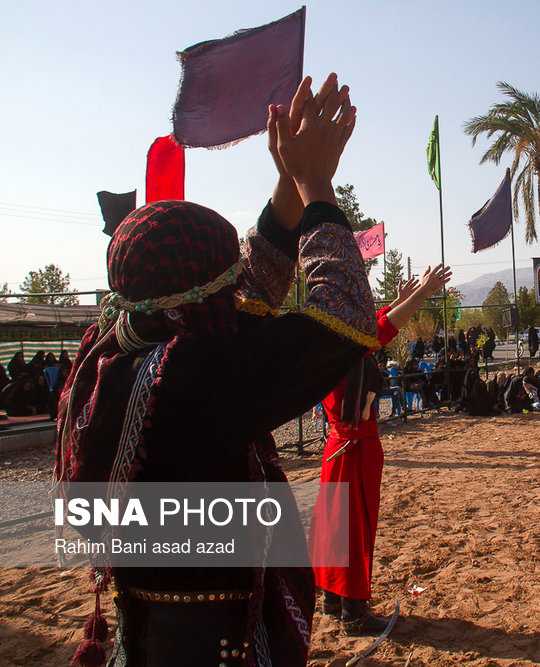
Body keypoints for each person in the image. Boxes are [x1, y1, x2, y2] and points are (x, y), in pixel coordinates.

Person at [55, 73, 375, 667]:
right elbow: (344, 313)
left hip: (149, 634)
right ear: (200, 295)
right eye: (223, 279)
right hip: (217, 646)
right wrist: (317, 184)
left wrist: (287, 181)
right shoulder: (191, 379)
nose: (237, 288)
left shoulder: (118, 350)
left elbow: (249, 282)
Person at [311, 264, 450, 635]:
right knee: (355, 530)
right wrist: (422, 295)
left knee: (334, 529)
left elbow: (375, 325)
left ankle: (333, 598)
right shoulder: (343, 339)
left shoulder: (329, 333)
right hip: (354, 447)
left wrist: (401, 299)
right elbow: (380, 330)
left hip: (341, 446)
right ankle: (353, 613)